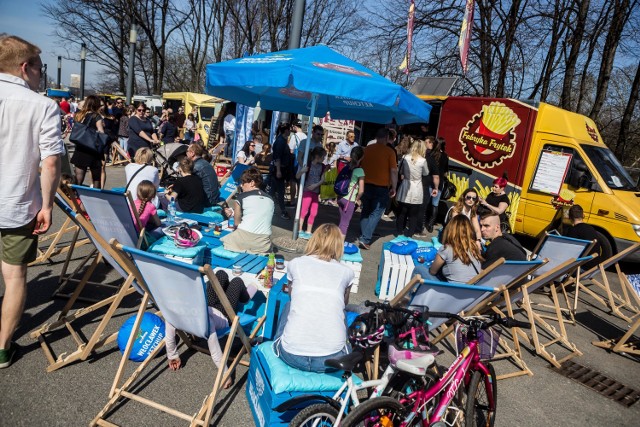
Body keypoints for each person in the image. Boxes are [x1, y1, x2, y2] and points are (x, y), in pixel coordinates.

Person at [0, 34, 63, 367]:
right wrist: (47, 206)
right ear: (25, 68)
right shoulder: (42, 105)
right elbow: (50, 162)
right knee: (14, 278)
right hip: (15, 204)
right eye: (40, 68)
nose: (42, 74)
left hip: (14, 203)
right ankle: (2, 347)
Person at [275, 224, 354, 372]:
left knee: (289, 305)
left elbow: (292, 296)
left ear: (313, 240)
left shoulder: (296, 264)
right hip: (333, 359)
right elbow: (344, 303)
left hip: (292, 355)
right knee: (340, 312)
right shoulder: (347, 272)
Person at [165, 269, 255, 389]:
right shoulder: (205, 323)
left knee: (220, 275)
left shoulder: (173, 316)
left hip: (207, 307)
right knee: (237, 281)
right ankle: (245, 298)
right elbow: (215, 351)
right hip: (224, 315)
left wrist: (172, 356)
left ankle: (226, 290)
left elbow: (169, 337)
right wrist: (225, 374)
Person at [356, 128, 398, 250]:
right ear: (386, 138)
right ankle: (365, 238)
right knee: (376, 212)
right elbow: (394, 171)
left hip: (366, 184)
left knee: (366, 210)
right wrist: (394, 187)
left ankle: (364, 234)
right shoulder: (389, 152)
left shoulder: (367, 150)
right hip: (382, 186)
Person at [413, 215, 483, 283]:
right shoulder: (475, 248)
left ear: (450, 230)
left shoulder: (446, 249)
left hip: (451, 292)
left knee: (419, 269)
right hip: (473, 291)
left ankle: (410, 294)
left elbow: (432, 272)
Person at [221, 167, 274, 253]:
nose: (241, 185)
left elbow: (236, 223)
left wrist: (232, 214)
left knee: (222, 240)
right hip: (263, 243)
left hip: (244, 237)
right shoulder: (270, 199)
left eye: (243, 182)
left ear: (252, 183)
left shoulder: (241, 197)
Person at [396, 139, 431, 237]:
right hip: (417, 186)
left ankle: (399, 232)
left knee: (402, 211)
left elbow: (400, 170)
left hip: (406, 184)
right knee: (414, 214)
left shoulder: (405, 157)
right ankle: (410, 234)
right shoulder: (423, 160)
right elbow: (426, 173)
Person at [70, 95, 106, 188]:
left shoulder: (79, 114)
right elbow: (101, 132)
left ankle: (75, 196)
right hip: (92, 149)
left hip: (80, 148)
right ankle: (96, 197)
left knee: (78, 177)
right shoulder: (96, 116)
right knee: (96, 178)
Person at [296, 146, 327, 239]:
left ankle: (309, 231)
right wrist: (302, 171)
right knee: (304, 211)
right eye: (323, 157)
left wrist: (315, 185)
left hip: (315, 192)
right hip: (307, 192)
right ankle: (299, 229)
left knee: (314, 212)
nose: (324, 159)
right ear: (317, 156)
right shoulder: (307, 164)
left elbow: (323, 179)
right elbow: (297, 176)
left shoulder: (323, 167)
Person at [337, 146, 365, 237]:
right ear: (362, 157)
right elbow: (361, 190)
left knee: (342, 222)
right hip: (349, 200)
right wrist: (358, 199)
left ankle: (334, 243)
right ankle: (339, 247)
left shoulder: (347, 166)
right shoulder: (360, 171)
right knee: (345, 224)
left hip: (341, 197)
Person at [566, 204, 602, 270]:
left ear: (569, 217)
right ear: (583, 216)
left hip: (581, 268)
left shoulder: (573, 230)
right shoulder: (591, 228)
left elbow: (568, 252)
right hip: (595, 266)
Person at [269, 123, 293, 219]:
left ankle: (269, 208)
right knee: (280, 191)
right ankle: (283, 211)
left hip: (281, 169)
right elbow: (277, 157)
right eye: (289, 129)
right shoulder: (280, 141)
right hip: (279, 169)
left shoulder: (282, 140)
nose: (290, 131)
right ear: (286, 130)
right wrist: (278, 170)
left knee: (273, 190)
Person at [424, 137, 447, 232]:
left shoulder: (431, 154)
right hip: (439, 182)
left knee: (425, 202)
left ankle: (422, 221)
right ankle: (430, 224)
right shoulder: (445, 156)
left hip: (429, 180)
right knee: (435, 204)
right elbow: (446, 170)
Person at [186, 142, 220, 207]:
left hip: (207, 200)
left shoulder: (196, 167)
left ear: (192, 153)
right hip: (213, 198)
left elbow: (191, 186)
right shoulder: (205, 163)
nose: (186, 154)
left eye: (187, 151)